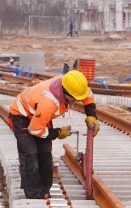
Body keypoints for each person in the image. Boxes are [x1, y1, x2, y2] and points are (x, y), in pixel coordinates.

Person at [9, 70, 100, 199]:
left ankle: (45, 190)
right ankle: (34, 194)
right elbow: (35, 130)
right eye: (74, 99)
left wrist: (91, 116)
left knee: (45, 152)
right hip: (22, 116)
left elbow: (88, 96)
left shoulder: (75, 85)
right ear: (65, 93)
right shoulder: (49, 102)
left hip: (39, 115)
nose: (77, 101)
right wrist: (57, 132)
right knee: (30, 154)